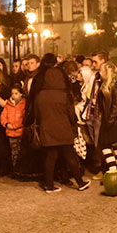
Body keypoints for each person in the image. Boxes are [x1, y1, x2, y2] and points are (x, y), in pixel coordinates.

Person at [27, 53, 90, 193]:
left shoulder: (41, 94)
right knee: (70, 154)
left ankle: (48, 184)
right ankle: (80, 182)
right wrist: (73, 125)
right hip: (63, 126)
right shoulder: (63, 93)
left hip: (47, 126)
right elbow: (70, 111)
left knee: (51, 156)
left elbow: (35, 111)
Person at [1, 85, 27, 171]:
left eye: (16, 93)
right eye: (12, 93)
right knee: (14, 151)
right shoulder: (8, 105)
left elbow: (24, 118)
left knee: (21, 152)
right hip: (10, 132)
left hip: (20, 131)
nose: (14, 95)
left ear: (21, 94)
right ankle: (15, 169)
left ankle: (21, 169)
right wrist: (6, 124)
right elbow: (3, 116)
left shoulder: (24, 104)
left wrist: (15, 126)